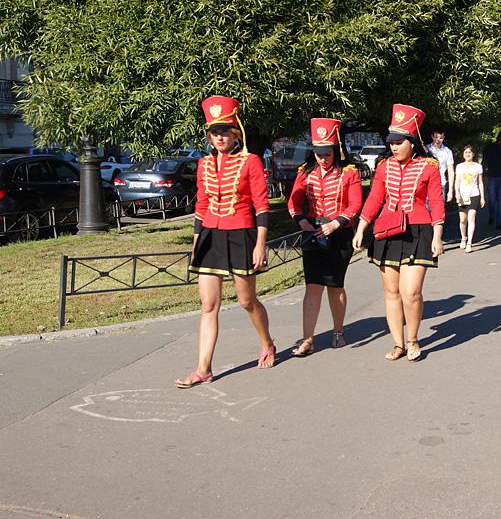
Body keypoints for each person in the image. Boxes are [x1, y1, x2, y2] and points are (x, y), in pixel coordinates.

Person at [176, 95, 276, 388]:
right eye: (214, 132)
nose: (220, 137)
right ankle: (203, 368)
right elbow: (201, 205)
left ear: (235, 134)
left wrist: (260, 244)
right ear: (209, 135)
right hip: (210, 235)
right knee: (208, 304)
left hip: (241, 234)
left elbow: (262, 206)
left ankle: (267, 342)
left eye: (225, 131)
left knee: (246, 301)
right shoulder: (204, 164)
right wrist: (196, 244)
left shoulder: (251, 161)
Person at [353, 104, 444, 362]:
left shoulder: (429, 166)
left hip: (418, 230)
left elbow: (436, 202)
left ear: (412, 142)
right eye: (391, 141)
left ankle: (413, 340)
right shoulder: (383, 166)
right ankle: (398, 343)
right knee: (391, 292)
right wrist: (361, 228)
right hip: (387, 230)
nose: (394, 146)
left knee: (411, 291)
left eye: (399, 141)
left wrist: (437, 235)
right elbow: (373, 200)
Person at [287, 118, 363, 357]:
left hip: (339, 234)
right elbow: (293, 202)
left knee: (334, 285)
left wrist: (336, 223)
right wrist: (301, 221)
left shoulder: (349, 173)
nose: (322, 158)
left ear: (336, 150)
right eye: (318, 153)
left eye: (326, 153)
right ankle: (308, 339)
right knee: (312, 286)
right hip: (312, 233)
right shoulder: (305, 172)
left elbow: (355, 204)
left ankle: (338, 332)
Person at [454, 144, 485, 252]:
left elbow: (480, 182)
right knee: (463, 220)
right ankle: (463, 238)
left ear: (473, 154)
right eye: (466, 152)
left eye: (470, 152)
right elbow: (457, 181)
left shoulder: (478, 166)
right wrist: (456, 192)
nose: (468, 154)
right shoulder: (459, 167)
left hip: (474, 195)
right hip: (463, 196)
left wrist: (482, 197)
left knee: (471, 217)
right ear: (463, 154)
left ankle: (469, 243)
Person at [482, 131, 501, 230]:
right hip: (492, 175)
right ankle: (492, 215)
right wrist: (484, 172)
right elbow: (485, 160)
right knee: (491, 199)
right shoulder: (490, 147)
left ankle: (499, 222)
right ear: (498, 139)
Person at [426, 129, 454, 205]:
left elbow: (451, 171)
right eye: (435, 137)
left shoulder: (447, 151)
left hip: (441, 183)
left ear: (443, 137)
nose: (438, 140)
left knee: (439, 211)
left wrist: (450, 191)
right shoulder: (426, 149)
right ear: (432, 137)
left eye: (440, 138)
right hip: (427, 184)